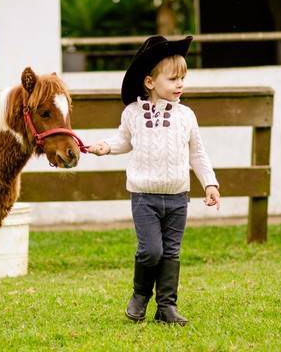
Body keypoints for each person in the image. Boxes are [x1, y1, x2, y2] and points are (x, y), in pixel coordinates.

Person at [88, 35, 221, 325]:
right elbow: (123, 140)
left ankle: (166, 307)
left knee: (171, 252)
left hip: (177, 197)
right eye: (173, 79)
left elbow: (197, 153)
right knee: (151, 250)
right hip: (144, 197)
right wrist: (105, 147)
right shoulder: (133, 113)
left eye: (182, 78)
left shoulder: (187, 116)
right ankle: (140, 295)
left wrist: (210, 184)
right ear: (150, 82)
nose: (180, 85)